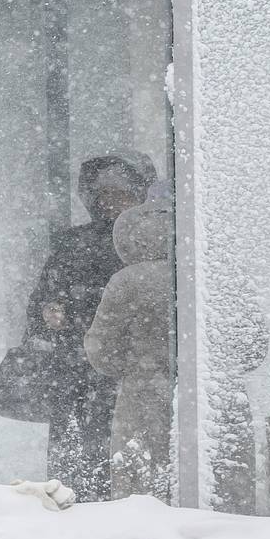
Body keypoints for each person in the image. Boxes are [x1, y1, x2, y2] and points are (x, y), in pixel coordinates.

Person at [23, 152, 157, 501]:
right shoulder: (73, 244)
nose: (112, 202)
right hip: (78, 379)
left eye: (121, 193)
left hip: (130, 379)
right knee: (78, 480)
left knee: (131, 475)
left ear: (140, 195)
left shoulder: (154, 246)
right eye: (104, 194)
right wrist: (49, 314)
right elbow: (41, 305)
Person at [84, 191, 174, 502]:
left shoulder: (127, 281)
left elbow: (101, 349)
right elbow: (252, 345)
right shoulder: (215, 275)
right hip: (216, 401)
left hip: (143, 398)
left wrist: (138, 365)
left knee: (142, 493)